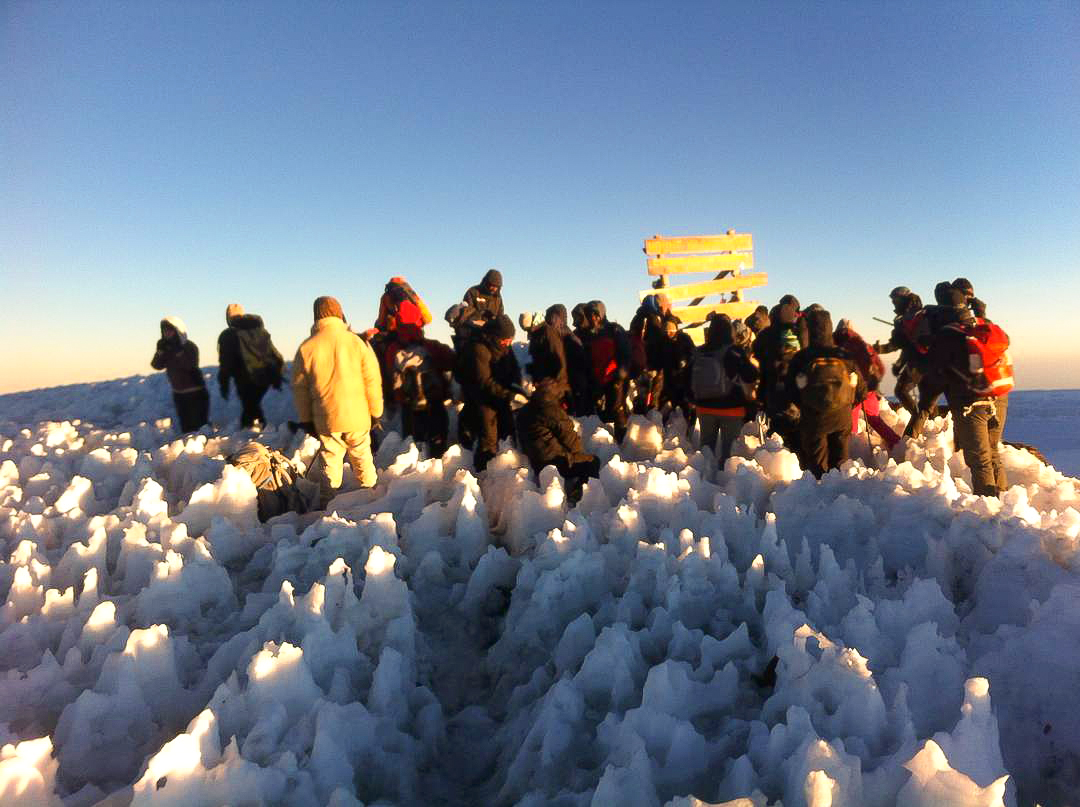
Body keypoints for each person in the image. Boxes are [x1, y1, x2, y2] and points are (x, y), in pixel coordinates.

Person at [292, 296, 384, 508]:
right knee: (362, 456)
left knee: (331, 460)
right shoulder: (356, 342)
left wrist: (306, 420)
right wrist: (376, 411)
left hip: (326, 417)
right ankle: (370, 497)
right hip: (357, 415)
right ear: (339, 313)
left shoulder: (307, 348)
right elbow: (372, 379)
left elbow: (300, 389)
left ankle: (327, 503)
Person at [929, 289, 1011, 496]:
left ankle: (990, 511)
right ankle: (1004, 506)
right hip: (999, 397)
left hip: (969, 403)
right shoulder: (983, 326)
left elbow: (936, 371)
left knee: (979, 459)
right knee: (993, 452)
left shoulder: (947, 333)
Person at [786, 308, 866, 478]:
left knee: (817, 465)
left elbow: (790, 390)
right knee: (841, 463)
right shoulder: (843, 354)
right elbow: (861, 389)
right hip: (842, 416)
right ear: (830, 327)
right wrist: (847, 403)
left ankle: (820, 496)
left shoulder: (802, 357)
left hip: (814, 418)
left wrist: (806, 405)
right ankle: (841, 497)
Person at [516, 377, 600, 504]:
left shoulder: (525, 409)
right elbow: (569, 438)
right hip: (553, 461)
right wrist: (577, 455)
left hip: (535, 459)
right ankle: (582, 496)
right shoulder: (551, 409)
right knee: (592, 461)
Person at [457, 314, 523, 471]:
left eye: (510, 339)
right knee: (489, 438)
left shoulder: (504, 346)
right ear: (494, 336)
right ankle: (483, 473)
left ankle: (508, 468)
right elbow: (484, 382)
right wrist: (510, 395)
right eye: (505, 340)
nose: (508, 343)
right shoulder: (478, 348)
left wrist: (516, 387)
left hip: (500, 393)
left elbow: (514, 368)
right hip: (482, 397)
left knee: (507, 429)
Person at [691, 314, 759, 465]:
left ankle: (702, 479)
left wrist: (693, 399)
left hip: (704, 407)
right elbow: (751, 375)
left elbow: (686, 378)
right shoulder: (734, 351)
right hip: (732, 409)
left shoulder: (698, 352)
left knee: (706, 449)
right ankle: (726, 483)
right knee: (730, 454)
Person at [388, 324, 455, 458]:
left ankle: (417, 458)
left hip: (411, 401)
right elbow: (450, 360)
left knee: (415, 434)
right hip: (434, 397)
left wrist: (399, 397)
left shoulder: (396, 352)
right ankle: (438, 455)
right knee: (438, 429)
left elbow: (395, 379)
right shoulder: (430, 347)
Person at [834, 319, 900, 451]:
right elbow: (881, 368)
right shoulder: (864, 345)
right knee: (875, 419)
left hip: (852, 391)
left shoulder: (839, 345)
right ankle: (897, 443)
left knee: (850, 422)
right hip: (869, 389)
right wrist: (873, 385)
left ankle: (850, 451)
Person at [217, 304, 285, 429]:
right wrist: (278, 374)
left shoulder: (228, 335)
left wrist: (224, 384)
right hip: (264, 377)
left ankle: (255, 436)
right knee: (254, 407)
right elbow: (274, 353)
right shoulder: (259, 330)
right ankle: (264, 433)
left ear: (228, 318)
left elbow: (225, 363)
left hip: (244, 379)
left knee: (251, 410)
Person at [753, 300, 806, 448]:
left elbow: (757, 352)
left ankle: (778, 462)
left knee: (777, 433)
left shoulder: (765, 336)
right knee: (796, 431)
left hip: (773, 389)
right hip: (796, 391)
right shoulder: (798, 334)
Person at [580, 301, 632, 444]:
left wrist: (621, 372)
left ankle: (622, 443)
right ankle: (605, 445)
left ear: (601, 314)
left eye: (595, 315)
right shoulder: (589, 334)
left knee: (617, 410)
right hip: (598, 379)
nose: (593, 318)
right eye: (590, 315)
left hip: (615, 378)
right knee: (602, 412)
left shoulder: (614, 330)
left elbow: (625, 352)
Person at [152, 317, 210, 434]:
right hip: (179, 394)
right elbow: (157, 365)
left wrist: (178, 351)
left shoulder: (189, 346)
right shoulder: (165, 347)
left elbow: (190, 365)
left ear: (177, 330)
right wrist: (160, 352)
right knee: (187, 429)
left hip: (196, 393)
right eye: (164, 331)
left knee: (200, 428)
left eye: (170, 330)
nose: (167, 333)